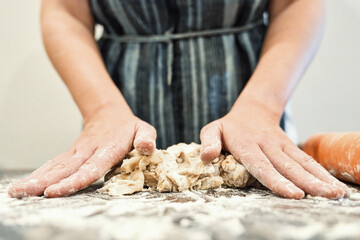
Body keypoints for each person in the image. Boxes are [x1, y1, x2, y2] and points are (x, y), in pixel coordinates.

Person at [9, 0, 349, 199]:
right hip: (117, 116)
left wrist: (262, 107)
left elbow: (295, 4)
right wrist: (101, 110)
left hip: (255, 112)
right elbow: (65, 11)